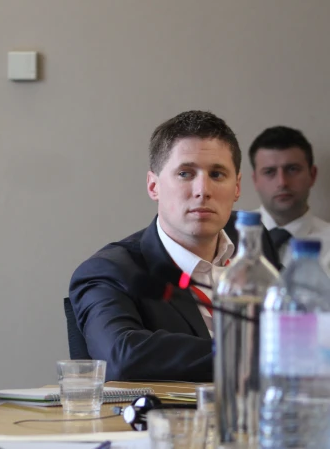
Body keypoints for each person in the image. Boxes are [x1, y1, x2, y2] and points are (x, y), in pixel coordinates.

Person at [69, 110, 279, 382]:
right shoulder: (110, 271)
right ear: (154, 186)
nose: (202, 189)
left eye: (217, 174)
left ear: (237, 187)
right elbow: (121, 356)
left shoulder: (255, 246)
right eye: (185, 173)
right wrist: (256, 354)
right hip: (165, 422)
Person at [250, 126, 330, 267]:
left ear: (312, 175)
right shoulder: (228, 238)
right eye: (269, 171)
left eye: (292, 169)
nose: (282, 182)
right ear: (255, 179)